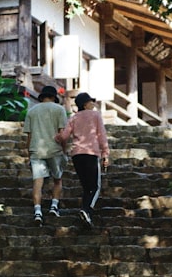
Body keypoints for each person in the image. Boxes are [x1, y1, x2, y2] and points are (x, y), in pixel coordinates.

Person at [54, 92, 109, 228]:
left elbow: (64, 136)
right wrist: (105, 153)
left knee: (86, 187)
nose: (93, 104)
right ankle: (86, 210)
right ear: (85, 104)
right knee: (95, 187)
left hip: (77, 155)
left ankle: (86, 216)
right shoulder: (96, 115)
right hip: (91, 153)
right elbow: (101, 135)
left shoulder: (74, 117)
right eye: (91, 102)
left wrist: (55, 137)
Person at [22, 84, 68, 225]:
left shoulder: (32, 111)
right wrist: (64, 150)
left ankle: (37, 211)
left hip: (36, 149)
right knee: (57, 179)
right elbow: (62, 134)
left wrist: (28, 151)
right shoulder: (60, 110)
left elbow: (29, 135)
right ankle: (54, 206)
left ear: (42, 97)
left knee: (38, 182)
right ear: (54, 97)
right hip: (54, 149)